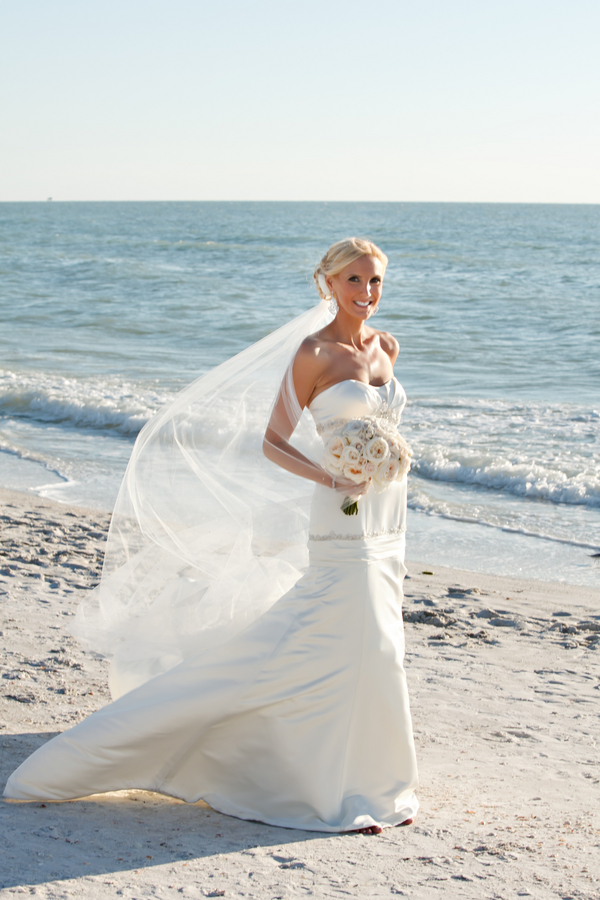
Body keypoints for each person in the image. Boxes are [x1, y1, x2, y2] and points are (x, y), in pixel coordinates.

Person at [4, 238, 419, 835]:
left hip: (388, 516)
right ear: (328, 284)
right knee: (329, 636)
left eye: (376, 281)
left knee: (380, 643)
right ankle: (320, 789)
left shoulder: (388, 347)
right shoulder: (313, 352)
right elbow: (273, 442)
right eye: (355, 280)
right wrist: (330, 474)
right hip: (340, 511)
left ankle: (377, 782)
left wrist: (387, 464)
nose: (367, 293)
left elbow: (385, 425)